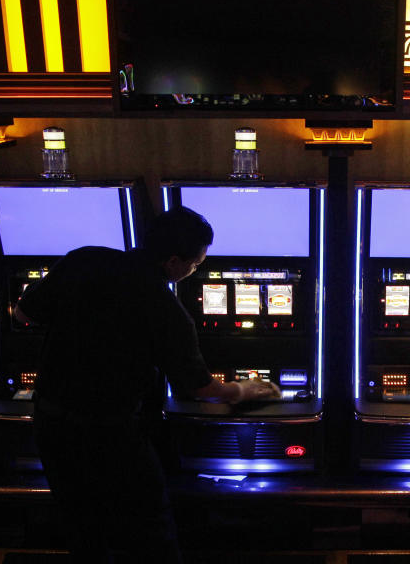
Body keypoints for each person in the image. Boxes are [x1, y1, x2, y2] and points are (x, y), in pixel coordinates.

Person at [15, 207, 280, 563]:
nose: (194, 270)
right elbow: (201, 389)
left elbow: (23, 314)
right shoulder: (164, 308)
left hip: (50, 424)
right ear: (173, 262)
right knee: (151, 527)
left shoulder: (84, 259)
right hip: (110, 433)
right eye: (196, 264)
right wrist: (246, 390)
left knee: (80, 524)